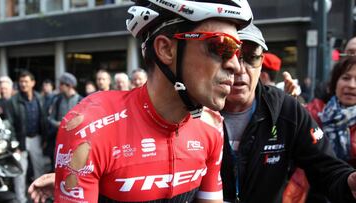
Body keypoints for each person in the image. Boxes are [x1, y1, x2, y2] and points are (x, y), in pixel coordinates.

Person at [29, 0, 253, 202]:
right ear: (166, 49)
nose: (235, 65)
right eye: (222, 47)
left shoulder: (211, 125)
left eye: (238, 52)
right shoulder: (89, 128)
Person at [220, 23, 356, 203]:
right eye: (229, 55)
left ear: (261, 62)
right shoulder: (195, 109)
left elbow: (325, 167)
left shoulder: (287, 109)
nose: (239, 68)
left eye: (251, 57)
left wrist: (349, 182)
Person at [5, 70, 48, 203]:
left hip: (37, 138)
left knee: (39, 170)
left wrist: (44, 138)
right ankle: (21, 199)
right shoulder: (13, 101)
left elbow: (44, 119)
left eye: (26, 81)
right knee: (20, 172)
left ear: (33, 83)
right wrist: (14, 143)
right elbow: (9, 123)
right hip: (20, 140)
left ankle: (41, 197)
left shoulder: (39, 98)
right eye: (21, 82)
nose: (23, 84)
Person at [46, 72, 82, 169]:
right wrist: (57, 124)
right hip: (59, 139)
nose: (59, 87)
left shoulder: (81, 100)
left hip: (75, 140)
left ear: (69, 85)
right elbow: (50, 118)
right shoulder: (57, 100)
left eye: (61, 84)